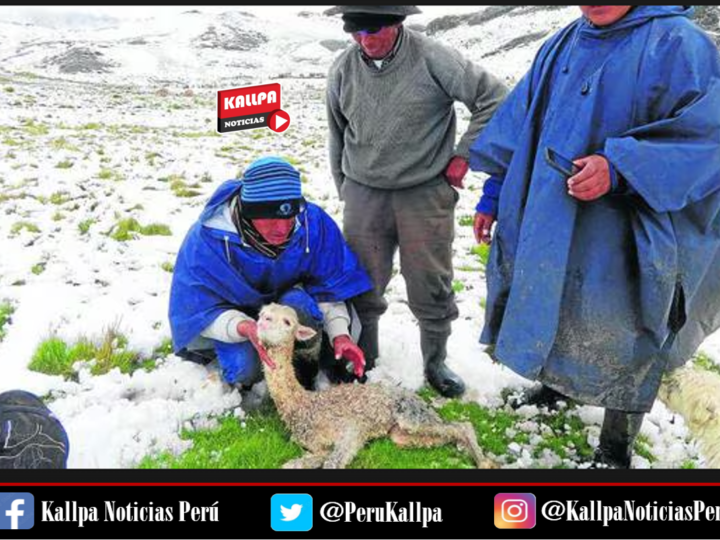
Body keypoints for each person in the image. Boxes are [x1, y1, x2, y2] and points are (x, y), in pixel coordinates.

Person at [469, 6, 720, 468]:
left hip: (630, 226)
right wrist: (493, 193)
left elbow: (709, 138)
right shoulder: (563, 43)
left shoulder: (679, 45)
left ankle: (615, 446)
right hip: (552, 215)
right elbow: (520, 127)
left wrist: (621, 168)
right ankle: (557, 386)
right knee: (558, 299)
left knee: (628, 322)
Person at [324, 5, 508, 398]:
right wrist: (346, 189)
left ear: (397, 23)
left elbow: (493, 98)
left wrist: (464, 154)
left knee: (431, 282)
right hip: (364, 192)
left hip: (424, 192)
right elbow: (336, 134)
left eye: (374, 30)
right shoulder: (342, 68)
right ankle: (365, 357)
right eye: (355, 31)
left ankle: (435, 362)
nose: (365, 40)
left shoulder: (433, 57)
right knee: (362, 281)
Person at [169, 157, 373, 399]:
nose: (282, 228)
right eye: (271, 218)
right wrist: (244, 327)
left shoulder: (312, 224)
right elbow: (197, 308)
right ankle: (247, 367)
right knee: (244, 368)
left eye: (289, 216)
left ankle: (303, 365)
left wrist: (340, 334)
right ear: (248, 211)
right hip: (233, 317)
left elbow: (329, 285)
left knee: (303, 309)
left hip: (288, 304)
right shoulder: (207, 240)